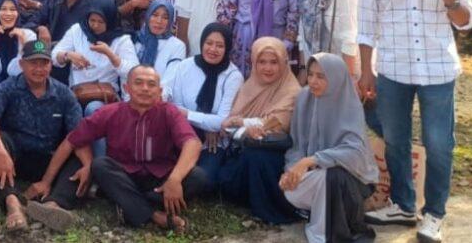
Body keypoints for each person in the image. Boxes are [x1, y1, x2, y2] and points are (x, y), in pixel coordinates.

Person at [358, 0, 472, 242]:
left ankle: (434, 214)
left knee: (439, 144)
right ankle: (404, 204)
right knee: (395, 140)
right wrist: (366, 71)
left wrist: (452, 2)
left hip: (438, 70)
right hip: (393, 70)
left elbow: (466, 22)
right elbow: (366, 27)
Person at [77, 66, 205, 233]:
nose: (145, 88)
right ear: (126, 88)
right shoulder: (111, 112)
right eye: (138, 83)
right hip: (125, 176)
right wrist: (85, 165)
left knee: (199, 177)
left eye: (151, 84)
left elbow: (192, 143)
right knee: (100, 165)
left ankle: (128, 204)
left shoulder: (169, 111)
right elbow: (76, 139)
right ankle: (154, 214)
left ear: (159, 91)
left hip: (161, 179)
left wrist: (174, 180)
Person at [0, 41, 85, 232]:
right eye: (33, 63)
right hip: (14, 159)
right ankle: (13, 205)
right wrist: (2, 154)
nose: (39, 68)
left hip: (50, 157)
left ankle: (52, 206)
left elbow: (76, 136)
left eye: (44, 63)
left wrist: (47, 180)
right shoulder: (8, 87)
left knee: (80, 158)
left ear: (50, 65)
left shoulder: (64, 94)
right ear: (21, 64)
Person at [282, 53, 378, 243]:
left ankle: (324, 233)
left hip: (352, 181)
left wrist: (312, 160)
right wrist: (291, 172)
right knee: (291, 189)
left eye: (321, 76)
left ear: (335, 77)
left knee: (332, 176)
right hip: (315, 175)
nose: (313, 81)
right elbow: (296, 146)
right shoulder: (304, 98)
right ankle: (320, 216)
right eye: (310, 75)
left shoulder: (349, 104)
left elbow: (355, 153)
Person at [218, 37, 301, 225]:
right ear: (254, 63)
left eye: (274, 62)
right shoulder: (250, 85)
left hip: (277, 154)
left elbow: (276, 124)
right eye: (261, 62)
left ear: (284, 63)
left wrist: (240, 123)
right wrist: (241, 126)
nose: (267, 68)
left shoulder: (292, 90)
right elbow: (228, 125)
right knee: (224, 178)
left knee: (257, 157)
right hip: (245, 149)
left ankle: (267, 208)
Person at [161, 23, 244, 192]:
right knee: (162, 166)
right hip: (181, 134)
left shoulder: (233, 76)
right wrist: (206, 124)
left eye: (220, 45)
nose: (213, 49)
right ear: (201, 43)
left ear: (227, 47)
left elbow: (222, 121)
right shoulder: (185, 66)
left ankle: (163, 192)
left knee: (205, 181)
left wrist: (190, 116)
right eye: (209, 43)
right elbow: (174, 106)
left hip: (213, 143)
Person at [52, 0, 137, 157]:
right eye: (92, 20)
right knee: (63, 108)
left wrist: (110, 54)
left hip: (104, 96)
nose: (95, 26)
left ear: (110, 20)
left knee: (94, 110)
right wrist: (68, 55)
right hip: (76, 92)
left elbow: (132, 71)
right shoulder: (78, 30)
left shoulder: (121, 39)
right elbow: (54, 56)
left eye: (101, 22)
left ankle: (100, 163)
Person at [23, 0, 92, 85]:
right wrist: (40, 28)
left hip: (74, 59)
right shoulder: (52, 1)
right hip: (49, 53)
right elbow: (30, 23)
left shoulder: (89, 7)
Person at [134, 0, 187, 77]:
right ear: (148, 16)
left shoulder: (177, 46)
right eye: (155, 15)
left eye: (165, 18)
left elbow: (171, 79)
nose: (159, 21)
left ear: (170, 21)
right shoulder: (135, 39)